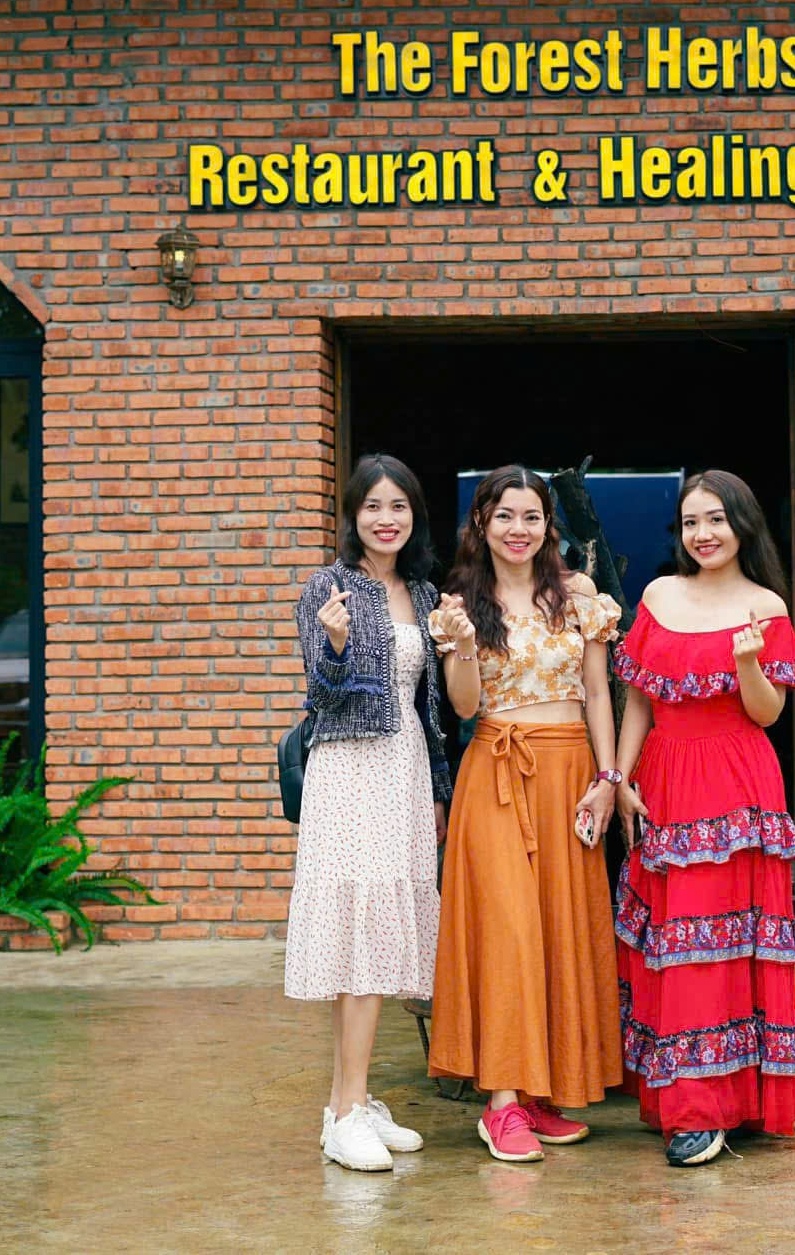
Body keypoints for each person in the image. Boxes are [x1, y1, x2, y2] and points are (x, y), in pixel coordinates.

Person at [609, 469, 795, 1166]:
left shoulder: (765, 605)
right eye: (692, 521)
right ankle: (689, 1097)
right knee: (678, 942)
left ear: (742, 525)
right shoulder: (659, 595)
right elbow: (639, 697)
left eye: (716, 519)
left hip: (737, 783)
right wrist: (620, 778)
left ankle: (708, 1109)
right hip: (666, 777)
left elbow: (767, 713)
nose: (703, 533)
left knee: (723, 941)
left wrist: (749, 663)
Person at [426, 465, 625, 1163]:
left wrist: (608, 779)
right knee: (508, 930)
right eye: (504, 515)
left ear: (548, 524)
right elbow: (464, 706)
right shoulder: (460, 603)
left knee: (557, 930)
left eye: (531, 516)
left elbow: (597, 694)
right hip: (497, 770)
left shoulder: (580, 597)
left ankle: (540, 1095)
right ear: (482, 522)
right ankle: (503, 1103)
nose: (519, 529)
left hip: (570, 773)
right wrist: (458, 645)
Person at [289, 454, 452, 1174]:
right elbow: (321, 696)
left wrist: (438, 790)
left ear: (414, 515)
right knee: (360, 932)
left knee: (381, 931)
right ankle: (348, 1111)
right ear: (352, 515)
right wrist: (333, 647)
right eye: (373, 507)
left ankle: (346, 1105)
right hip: (350, 769)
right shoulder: (327, 587)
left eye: (399, 506)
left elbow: (433, 707)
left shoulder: (423, 591)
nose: (387, 519)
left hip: (405, 767)